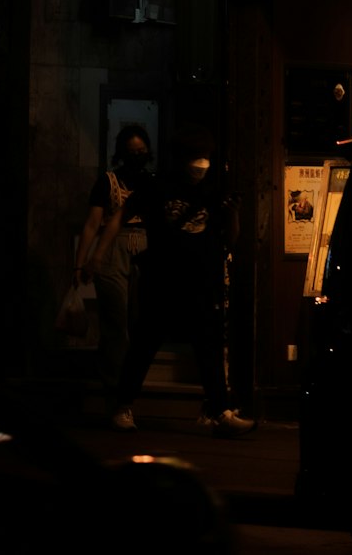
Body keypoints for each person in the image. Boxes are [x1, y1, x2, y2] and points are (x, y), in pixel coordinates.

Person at [94, 122, 256, 439]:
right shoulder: (158, 186)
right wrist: (98, 253)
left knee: (208, 347)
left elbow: (230, 239)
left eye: (206, 156)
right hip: (163, 280)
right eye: (197, 156)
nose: (202, 164)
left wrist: (234, 214)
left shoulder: (214, 190)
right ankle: (122, 406)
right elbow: (120, 216)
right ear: (182, 158)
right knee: (144, 344)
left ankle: (219, 410)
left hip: (202, 281)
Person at [73, 123, 153, 409]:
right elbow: (93, 223)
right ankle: (114, 385)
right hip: (112, 248)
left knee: (139, 320)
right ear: (121, 153)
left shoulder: (151, 182)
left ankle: (130, 383)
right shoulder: (107, 182)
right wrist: (80, 262)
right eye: (132, 151)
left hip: (144, 249)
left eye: (141, 151)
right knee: (116, 320)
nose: (137, 156)